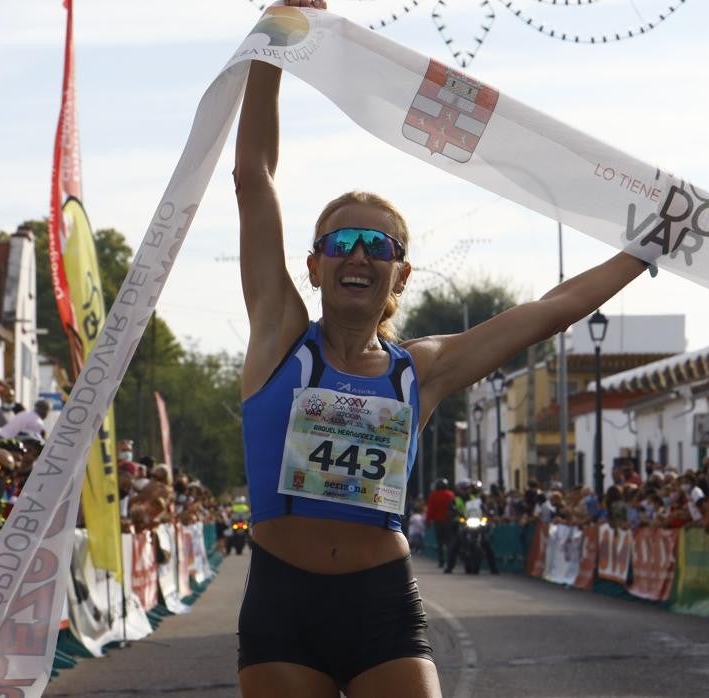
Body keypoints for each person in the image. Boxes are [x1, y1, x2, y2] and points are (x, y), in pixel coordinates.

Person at [233, 10, 650, 693]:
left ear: (401, 275)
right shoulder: (280, 336)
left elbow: (553, 310)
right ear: (313, 266)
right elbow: (254, 176)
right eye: (342, 244)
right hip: (283, 605)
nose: (360, 255)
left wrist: (648, 247)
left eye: (380, 247)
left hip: (381, 605)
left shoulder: (419, 370)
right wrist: (277, 38)